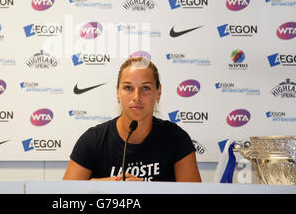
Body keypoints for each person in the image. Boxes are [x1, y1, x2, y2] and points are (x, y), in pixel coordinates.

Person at [63, 56, 201, 182]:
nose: (137, 96)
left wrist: (148, 191)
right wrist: (96, 188)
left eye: (145, 88)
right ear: (118, 93)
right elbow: (64, 200)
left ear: (158, 93)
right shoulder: (93, 140)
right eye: (128, 87)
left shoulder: (176, 138)